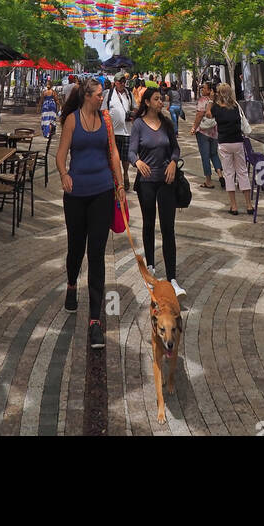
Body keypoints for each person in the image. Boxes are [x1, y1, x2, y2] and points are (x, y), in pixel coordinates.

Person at [55, 79, 123, 349]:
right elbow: (61, 155)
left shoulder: (106, 120)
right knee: (76, 248)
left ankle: (95, 320)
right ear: (87, 96)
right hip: (76, 193)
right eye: (98, 95)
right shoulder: (72, 120)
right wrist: (63, 175)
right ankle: (71, 283)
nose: (101, 99)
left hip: (103, 191)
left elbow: (114, 153)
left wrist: (119, 184)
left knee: (97, 254)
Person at [128, 88, 185, 296]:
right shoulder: (138, 125)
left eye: (162, 99)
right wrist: (137, 161)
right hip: (147, 182)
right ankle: (150, 266)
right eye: (157, 99)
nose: (161, 102)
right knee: (149, 223)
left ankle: (172, 278)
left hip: (167, 180)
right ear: (147, 102)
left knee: (168, 228)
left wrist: (172, 162)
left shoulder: (167, 123)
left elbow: (175, 149)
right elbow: (131, 151)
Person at [212, 83, 253, 215]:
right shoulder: (235, 106)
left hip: (224, 143)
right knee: (242, 172)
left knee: (229, 173)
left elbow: (209, 116)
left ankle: (234, 206)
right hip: (237, 141)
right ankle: (249, 205)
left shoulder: (216, 108)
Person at [190, 81, 224, 189]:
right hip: (214, 132)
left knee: (205, 156)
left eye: (204, 88)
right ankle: (220, 175)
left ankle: (208, 181)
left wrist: (194, 128)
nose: (202, 90)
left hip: (203, 132)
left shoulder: (203, 100)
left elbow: (199, 115)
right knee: (214, 154)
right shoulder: (218, 101)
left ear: (210, 90)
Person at [104, 73, 133, 180]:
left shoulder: (129, 94)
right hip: (113, 132)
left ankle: (125, 174)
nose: (122, 84)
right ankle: (116, 176)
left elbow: (135, 108)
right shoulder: (109, 94)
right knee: (112, 157)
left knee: (126, 157)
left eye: (123, 82)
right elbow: (104, 111)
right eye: (119, 81)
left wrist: (133, 114)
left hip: (127, 131)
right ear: (115, 82)